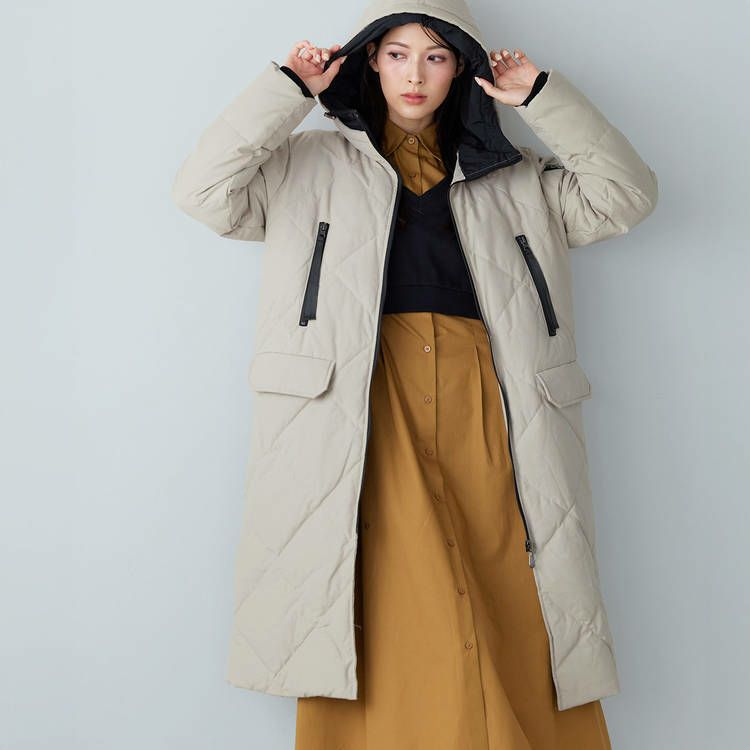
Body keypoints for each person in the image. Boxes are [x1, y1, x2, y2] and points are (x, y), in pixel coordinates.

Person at [172, 1, 658, 747]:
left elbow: (625, 197)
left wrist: (540, 97)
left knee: (508, 579)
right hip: (361, 400)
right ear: (371, 59)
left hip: (491, 397)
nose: (415, 75)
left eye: (435, 56)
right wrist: (289, 89)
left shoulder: (512, 173)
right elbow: (203, 192)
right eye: (397, 54)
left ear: (460, 67)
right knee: (381, 586)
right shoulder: (308, 163)